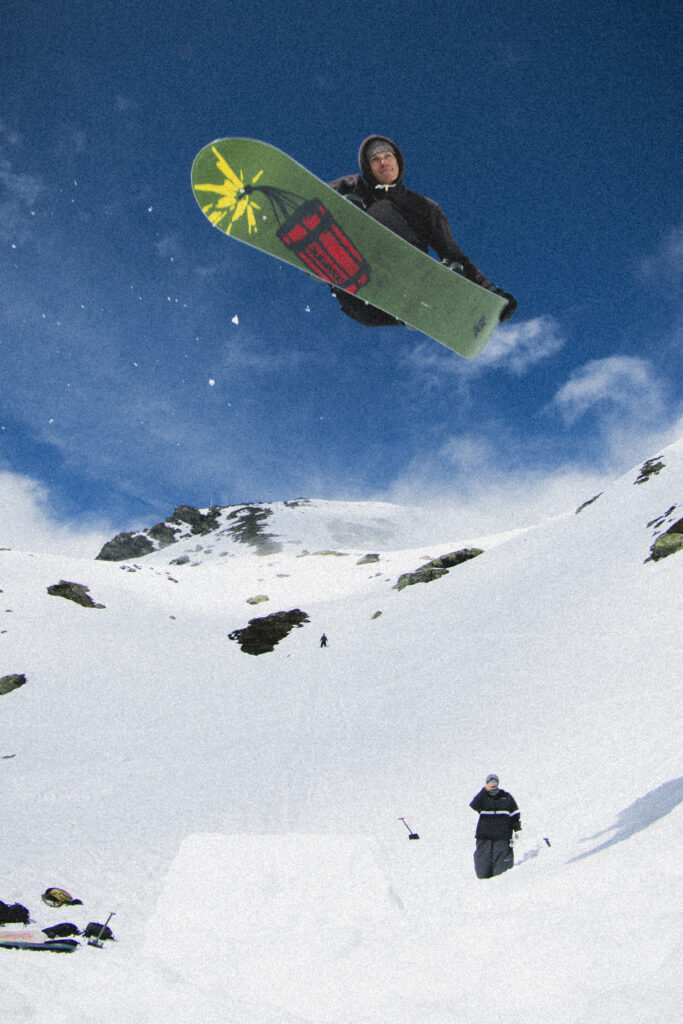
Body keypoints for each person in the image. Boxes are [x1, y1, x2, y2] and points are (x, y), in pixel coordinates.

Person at [328, 135, 517, 327]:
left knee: (384, 210)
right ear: (369, 167)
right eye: (375, 160)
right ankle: (333, 252)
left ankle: (425, 301)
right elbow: (318, 194)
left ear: (398, 161)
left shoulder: (424, 207)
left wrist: (492, 292)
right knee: (352, 199)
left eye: (387, 156)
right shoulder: (354, 185)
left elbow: (454, 254)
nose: (383, 163)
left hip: (401, 280)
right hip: (358, 276)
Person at [469, 773, 521, 879]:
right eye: (490, 782)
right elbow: (474, 805)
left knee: (502, 871)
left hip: (502, 837)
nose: (492, 784)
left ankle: (500, 886)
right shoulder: (483, 797)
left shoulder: (506, 797)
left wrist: (517, 830)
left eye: (494, 781)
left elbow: (515, 815)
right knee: (482, 867)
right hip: (484, 838)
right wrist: (484, 791)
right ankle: (484, 886)